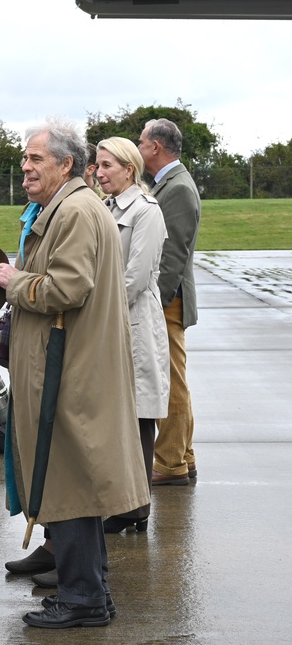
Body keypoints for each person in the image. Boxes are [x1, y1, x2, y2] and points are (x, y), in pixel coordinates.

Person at [0, 118, 149, 629]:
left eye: (36, 159)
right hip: (65, 366)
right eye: (24, 159)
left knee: (71, 483)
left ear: (66, 164)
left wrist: (15, 282)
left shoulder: (76, 211)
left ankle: (83, 598)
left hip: (70, 371)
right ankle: (89, 592)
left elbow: (66, 288)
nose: (26, 167)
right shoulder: (70, 206)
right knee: (74, 481)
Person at [95, 137, 170, 534]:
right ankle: (119, 501)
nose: (100, 172)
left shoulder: (146, 211)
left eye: (107, 165)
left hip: (133, 322)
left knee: (138, 414)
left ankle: (136, 507)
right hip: (107, 321)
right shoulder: (103, 208)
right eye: (97, 165)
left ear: (129, 168)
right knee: (113, 414)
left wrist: (95, 314)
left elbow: (135, 280)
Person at [137, 118, 201, 485]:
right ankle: (184, 455)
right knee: (174, 377)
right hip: (169, 297)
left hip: (168, 299)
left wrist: (155, 304)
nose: (139, 146)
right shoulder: (169, 184)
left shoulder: (177, 188)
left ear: (156, 147)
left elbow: (172, 254)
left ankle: (170, 462)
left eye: (142, 142)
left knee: (170, 380)